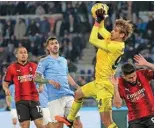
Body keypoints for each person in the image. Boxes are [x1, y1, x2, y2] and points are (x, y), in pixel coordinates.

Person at [55, 4, 133, 128]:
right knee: (77, 94)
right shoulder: (112, 38)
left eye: (116, 31)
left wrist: (97, 21)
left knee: (107, 122)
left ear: (122, 35)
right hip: (98, 82)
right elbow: (101, 29)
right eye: (113, 29)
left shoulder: (117, 46)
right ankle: (69, 120)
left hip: (105, 87)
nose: (112, 31)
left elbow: (93, 39)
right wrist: (101, 18)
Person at [34, 37, 83, 128]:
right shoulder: (44, 61)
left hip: (68, 95)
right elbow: (36, 78)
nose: (55, 45)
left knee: (77, 123)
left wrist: (77, 87)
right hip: (54, 98)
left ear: (59, 45)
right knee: (58, 126)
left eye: (56, 43)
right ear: (48, 48)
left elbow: (67, 75)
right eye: (52, 44)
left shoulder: (63, 60)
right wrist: (48, 81)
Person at [3, 46, 43, 128]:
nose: (23, 54)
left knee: (40, 124)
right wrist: (6, 89)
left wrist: (41, 85)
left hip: (34, 99)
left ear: (27, 54)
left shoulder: (34, 66)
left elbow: (40, 80)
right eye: (21, 52)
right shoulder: (11, 68)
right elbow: (5, 83)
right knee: (25, 125)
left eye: (25, 52)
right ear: (16, 55)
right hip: (20, 101)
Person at [110, 54, 154, 128]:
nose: (133, 79)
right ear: (124, 76)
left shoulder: (142, 74)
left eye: (134, 76)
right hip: (135, 119)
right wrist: (115, 87)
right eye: (130, 78)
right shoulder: (119, 83)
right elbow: (118, 105)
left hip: (151, 115)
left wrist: (147, 64)